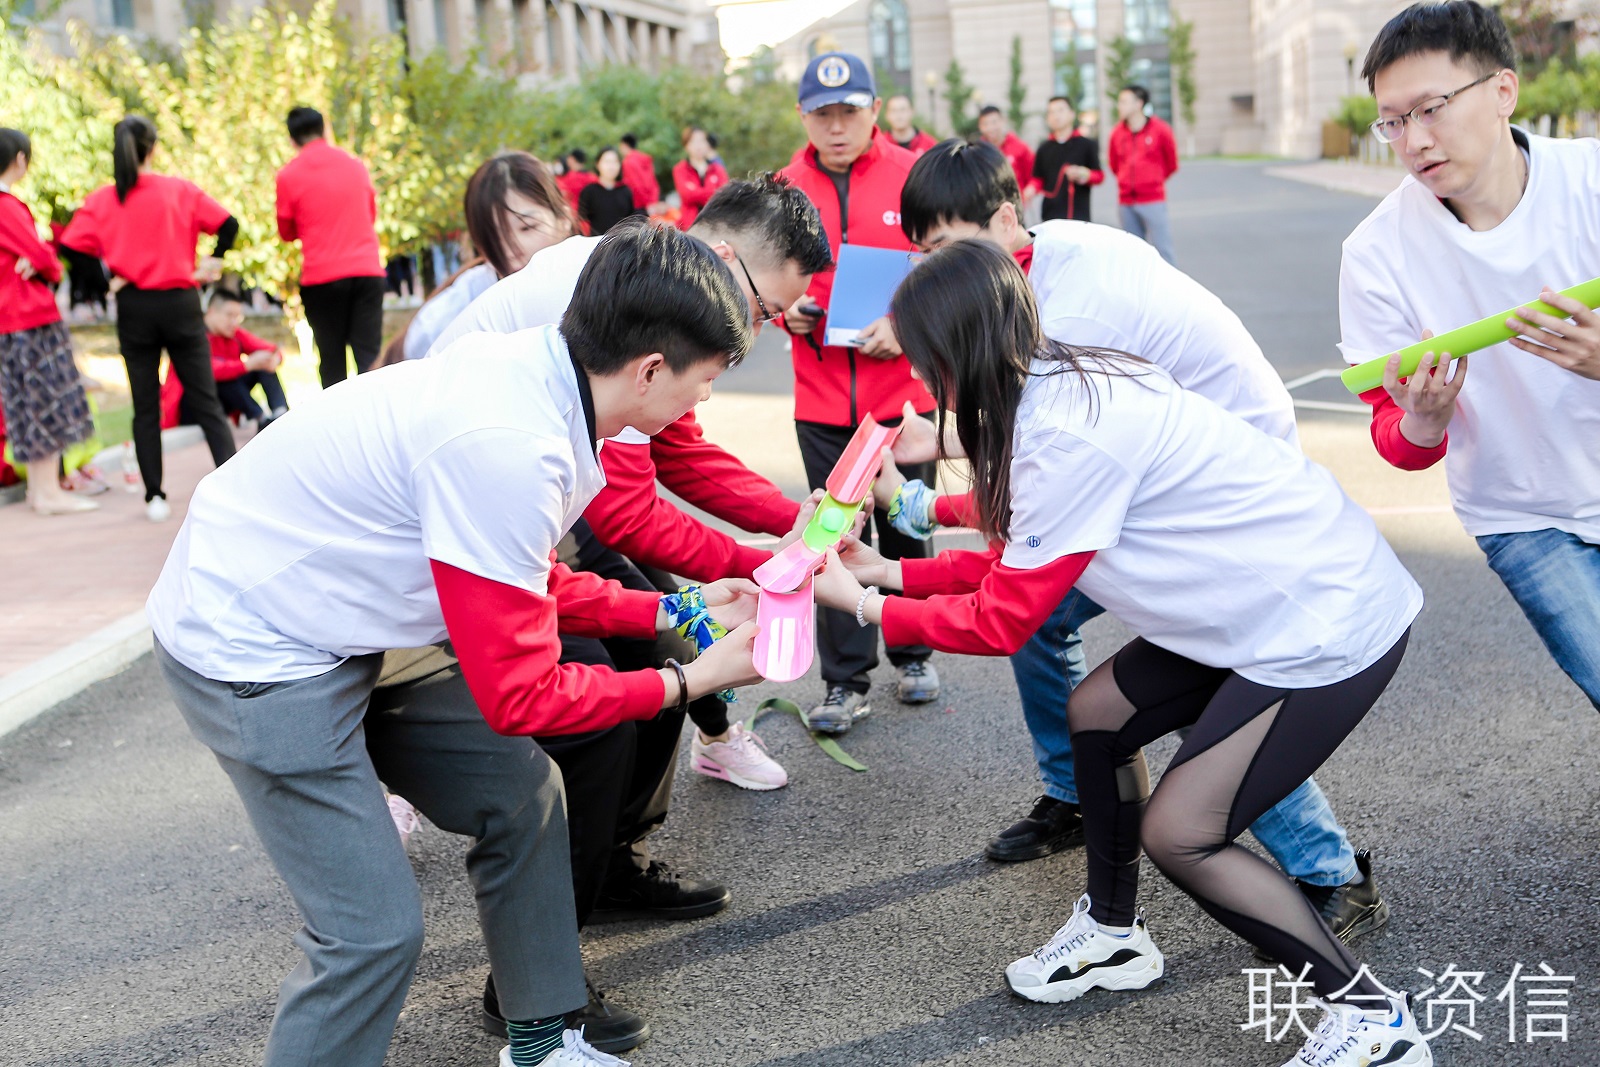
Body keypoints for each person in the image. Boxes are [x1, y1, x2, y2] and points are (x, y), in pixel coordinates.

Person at [147, 221, 766, 1067]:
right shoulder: (509, 440)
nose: (703, 402)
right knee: (369, 934)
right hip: (255, 647)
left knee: (523, 791)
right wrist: (687, 682)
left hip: (355, 616)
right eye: (705, 381)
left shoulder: (550, 386)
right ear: (651, 368)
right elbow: (524, 694)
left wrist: (672, 612)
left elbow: (516, 580)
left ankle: (540, 1045)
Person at [816, 239, 1433, 1067]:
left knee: (1185, 829)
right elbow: (1023, 544)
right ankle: (1112, 933)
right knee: (1097, 712)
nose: (921, 385)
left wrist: (862, 601)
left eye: (924, 361)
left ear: (955, 351)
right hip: (1250, 609)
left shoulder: (1069, 428)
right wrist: (892, 566)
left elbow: (1001, 618)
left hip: (1319, 620)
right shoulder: (1055, 375)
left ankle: (1373, 1018)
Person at [888, 137, 1392, 949]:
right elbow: (1034, 495)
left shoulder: (1069, 317)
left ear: (1009, 220)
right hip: (1165, 479)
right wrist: (912, 535)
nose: (935, 271)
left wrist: (892, 579)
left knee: (1228, 692)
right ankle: (1086, 800)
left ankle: (1330, 875)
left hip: (1221, 506)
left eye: (949, 249)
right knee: (1088, 669)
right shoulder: (1037, 272)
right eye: (922, 253)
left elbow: (1042, 492)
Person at [427, 177, 831, 1050]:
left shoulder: (665, 296)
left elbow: (680, 450)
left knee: (658, 649)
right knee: (600, 713)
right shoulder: (622, 303)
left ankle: (608, 864)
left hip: (531, 520)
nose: (757, 336)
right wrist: (761, 565)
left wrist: (791, 518)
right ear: (725, 262)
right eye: (766, 308)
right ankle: (535, 977)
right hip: (494, 526)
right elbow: (624, 514)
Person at [1341, 0, 1600, 712]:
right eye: (1392, 120)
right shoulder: (1375, 253)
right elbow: (1395, 440)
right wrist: (1425, 419)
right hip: (1523, 512)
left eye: (1430, 108)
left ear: (1502, 92)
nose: (1412, 139)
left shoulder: (1590, 183)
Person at [778, 51, 942, 731]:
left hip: (901, 401)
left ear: (876, 109)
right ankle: (845, 680)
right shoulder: (781, 189)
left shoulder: (914, 178)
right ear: (804, 117)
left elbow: (947, 266)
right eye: (824, 114)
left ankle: (913, 651)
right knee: (831, 534)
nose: (837, 126)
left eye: (850, 112)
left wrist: (905, 324)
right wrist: (781, 311)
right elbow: (762, 276)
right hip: (820, 398)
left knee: (908, 523)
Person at [60, 114, 238, 523]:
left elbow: (70, 246)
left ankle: (154, 495)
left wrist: (106, 278)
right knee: (205, 397)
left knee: (145, 406)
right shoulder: (179, 190)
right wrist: (212, 262)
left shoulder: (104, 199)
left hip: (135, 307)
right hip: (180, 302)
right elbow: (229, 224)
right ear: (152, 148)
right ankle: (232, 482)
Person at [391, 151, 574, 363]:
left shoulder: (599, 282)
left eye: (527, 227)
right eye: (495, 236)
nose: (512, 249)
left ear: (564, 218)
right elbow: (418, 347)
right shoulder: (468, 300)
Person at [0, 128, 99, 517]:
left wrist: (38, 259)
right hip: (29, 318)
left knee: (26, 403)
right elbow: (46, 261)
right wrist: (44, 261)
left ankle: (41, 491)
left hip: (11, 321)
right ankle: (46, 493)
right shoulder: (8, 206)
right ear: (20, 159)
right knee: (43, 402)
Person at [275, 107, 386, 388]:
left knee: (332, 361)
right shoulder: (355, 165)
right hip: (366, 271)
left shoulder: (288, 176)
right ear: (325, 129)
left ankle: (339, 427)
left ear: (292, 139)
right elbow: (370, 214)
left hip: (322, 278)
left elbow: (286, 232)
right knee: (370, 358)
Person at [1108, 84, 1179, 265]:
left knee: (1163, 250)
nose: (1120, 106)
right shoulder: (1117, 133)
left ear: (1138, 104)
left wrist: (1152, 181)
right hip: (1126, 203)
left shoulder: (1160, 129)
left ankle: (1168, 290)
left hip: (1153, 200)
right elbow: (1114, 164)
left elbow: (1171, 163)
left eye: (1124, 102)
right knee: (1133, 253)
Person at [198, 289, 288, 427]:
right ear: (211, 311)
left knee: (262, 364)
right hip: (195, 403)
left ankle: (281, 414)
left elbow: (270, 349)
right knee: (225, 378)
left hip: (226, 400)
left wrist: (274, 358)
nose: (234, 322)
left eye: (237, 317)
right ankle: (260, 419)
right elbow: (207, 371)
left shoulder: (234, 334)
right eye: (229, 315)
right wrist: (247, 365)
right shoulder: (194, 336)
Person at [1033, 95, 1103, 222]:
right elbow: (1038, 179)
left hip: (1078, 215)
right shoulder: (1044, 148)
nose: (1056, 116)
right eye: (1051, 112)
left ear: (1072, 114)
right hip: (1050, 216)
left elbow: (1099, 176)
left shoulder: (1086, 144)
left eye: (1060, 110)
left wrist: (1083, 174)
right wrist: (1030, 190)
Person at [672, 126, 729, 231]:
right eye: (694, 142)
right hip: (689, 226)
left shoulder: (717, 169)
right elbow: (687, 196)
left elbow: (724, 195)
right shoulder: (680, 169)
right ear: (686, 146)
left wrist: (697, 192)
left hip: (716, 225)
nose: (699, 146)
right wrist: (713, 193)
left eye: (702, 141)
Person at [977, 105, 1037, 205]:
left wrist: (1031, 187)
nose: (990, 128)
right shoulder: (977, 152)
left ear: (1002, 121)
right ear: (980, 126)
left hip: (1017, 206)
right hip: (987, 208)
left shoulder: (1020, 147)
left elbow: (1035, 175)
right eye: (985, 124)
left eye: (994, 122)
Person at [579, 147, 644, 237]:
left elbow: (632, 219)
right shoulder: (589, 191)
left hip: (620, 243)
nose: (611, 166)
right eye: (607, 162)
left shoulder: (625, 191)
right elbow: (582, 220)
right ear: (597, 164)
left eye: (615, 162)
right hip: (596, 243)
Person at [618, 133, 661, 214]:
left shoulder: (628, 162)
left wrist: (646, 203)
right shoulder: (644, 159)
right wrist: (652, 201)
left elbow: (636, 185)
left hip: (637, 205)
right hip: (651, 204)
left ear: (624, 145)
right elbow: (653, 183)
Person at [557, 149, 596, 227]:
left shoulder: (570, 178)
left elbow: (563, 195)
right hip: (591, 217)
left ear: (572, 159)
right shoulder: (592, 177)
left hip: (575, 217)